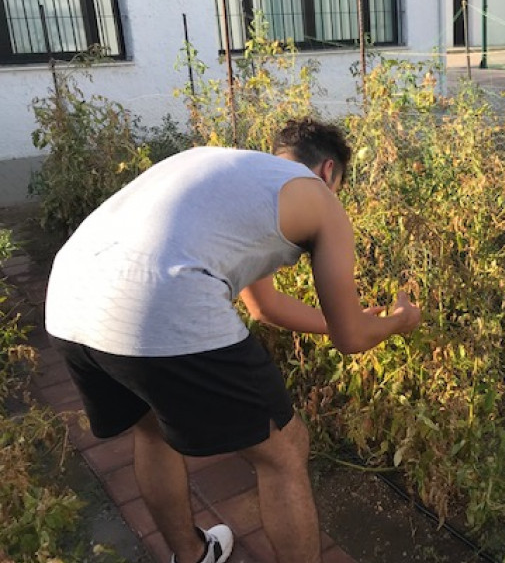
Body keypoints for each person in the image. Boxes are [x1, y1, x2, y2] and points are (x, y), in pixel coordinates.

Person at [44, 118, 422, 563]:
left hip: (69, 297)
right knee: (284, 451)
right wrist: (400, 321)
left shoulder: (227, 170)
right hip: (159, 301)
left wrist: (344, 320)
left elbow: (266, 307)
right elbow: (352, 339)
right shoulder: (317, 195)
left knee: (151, 428)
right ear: (328, 171)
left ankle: (191, 555)